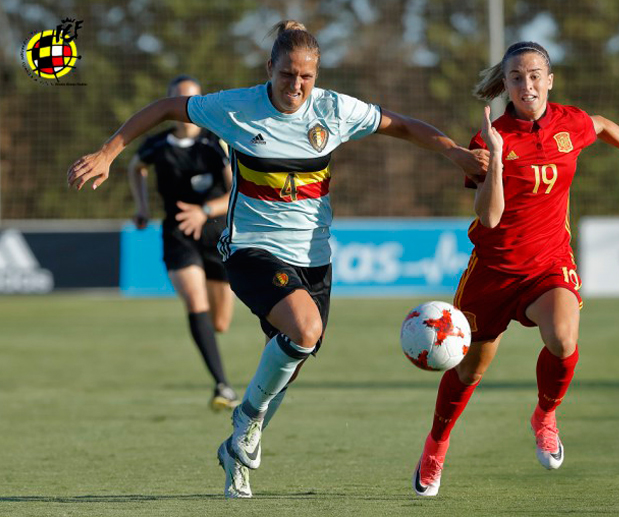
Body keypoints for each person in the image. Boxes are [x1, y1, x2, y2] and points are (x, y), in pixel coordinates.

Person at [68, 20, 487, 499]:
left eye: (306, 76)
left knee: (290, 362)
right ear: (270, 68)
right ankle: (245, 421)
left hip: (314, 259)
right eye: (287, 74)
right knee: (304, 331)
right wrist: (108, 152)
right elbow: (166, 108)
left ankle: (236, 454)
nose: (296, 86)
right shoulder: (236, 108)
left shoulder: (335, 110)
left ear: (317, 74)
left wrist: (455, 153)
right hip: (250, 249)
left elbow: (404, 126)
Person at [411, 41, 619, 497]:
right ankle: (436, 446)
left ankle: (544, 415)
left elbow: (604, 125)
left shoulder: (569, 123)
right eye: (517, 76)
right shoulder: (490, 138)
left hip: (549, 264)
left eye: (535, 74)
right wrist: (496, 159)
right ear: (507, 85)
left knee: (563, 336)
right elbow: (490, 217)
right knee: (469, 371)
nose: (527, 84)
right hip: (493, 271)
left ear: (549, 80)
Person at [128, 75, 239, 412]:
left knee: (220, 322)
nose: (184, 109)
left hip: (217, 237)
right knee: (195, 301)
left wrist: (204, 211)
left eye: (191, 101)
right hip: (177, 235)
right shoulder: (157, 145)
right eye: (177, 101)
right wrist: (142, 206)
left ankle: (220, 375)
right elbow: (136, 167)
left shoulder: (215, 142)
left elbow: (237, 192)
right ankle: (223, 385)